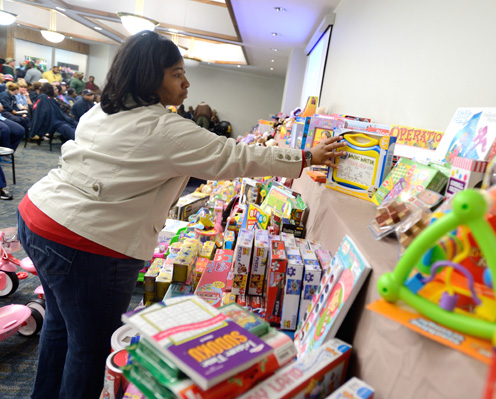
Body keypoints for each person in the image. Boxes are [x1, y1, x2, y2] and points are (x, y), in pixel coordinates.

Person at [16, 30, 344, 399]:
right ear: (148, 76)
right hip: (84, 242)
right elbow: (233, 157)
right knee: (89, 348)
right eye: (176, 73)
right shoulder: (164, 127)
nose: (186, 83)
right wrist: (304, 157)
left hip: (36, 217)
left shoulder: (104, 109)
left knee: (61, 326)